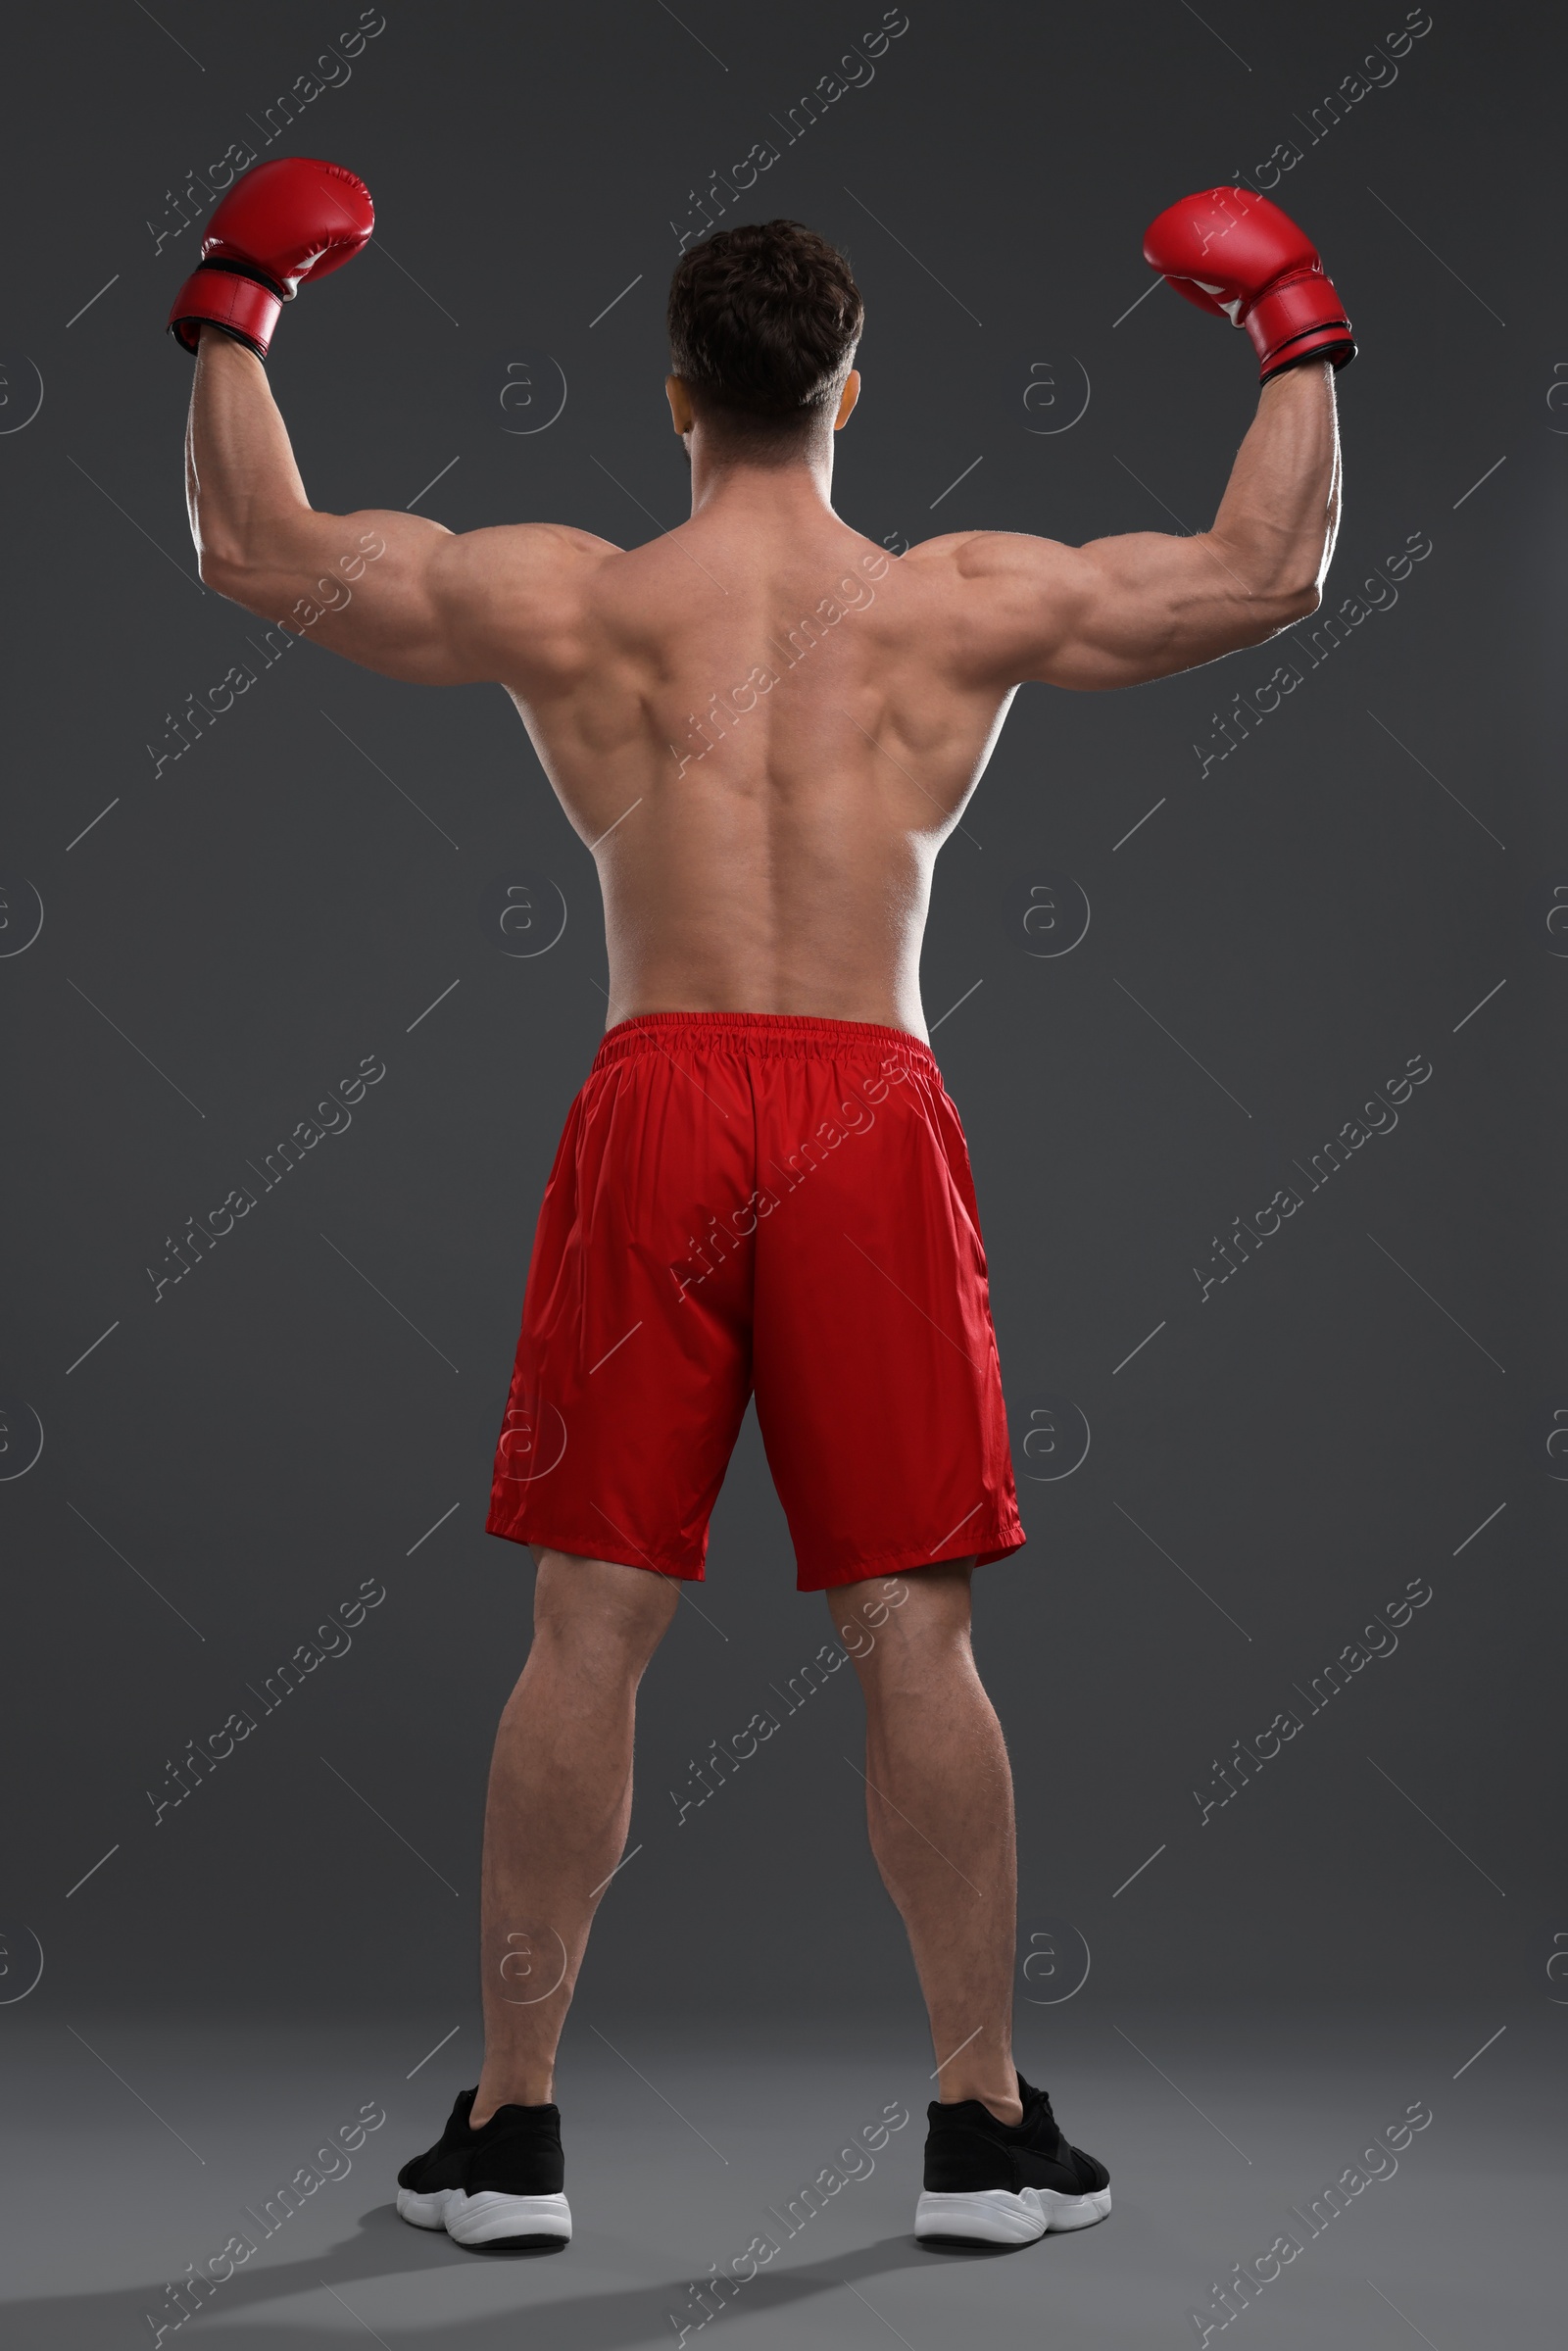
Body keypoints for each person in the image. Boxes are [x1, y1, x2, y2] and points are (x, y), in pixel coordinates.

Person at [171, 165, 1348, 2253]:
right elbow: (1264, 573)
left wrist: (236, 299)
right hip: (866, 1111)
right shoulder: (955, 598)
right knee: (912, 1632)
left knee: (588, 1627)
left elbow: (250, 546)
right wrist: (1297, 334)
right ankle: (979, 2135)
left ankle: (511, 2136)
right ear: (849, 394)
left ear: (672, 400)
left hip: (654, 1097)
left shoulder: (574, 600)